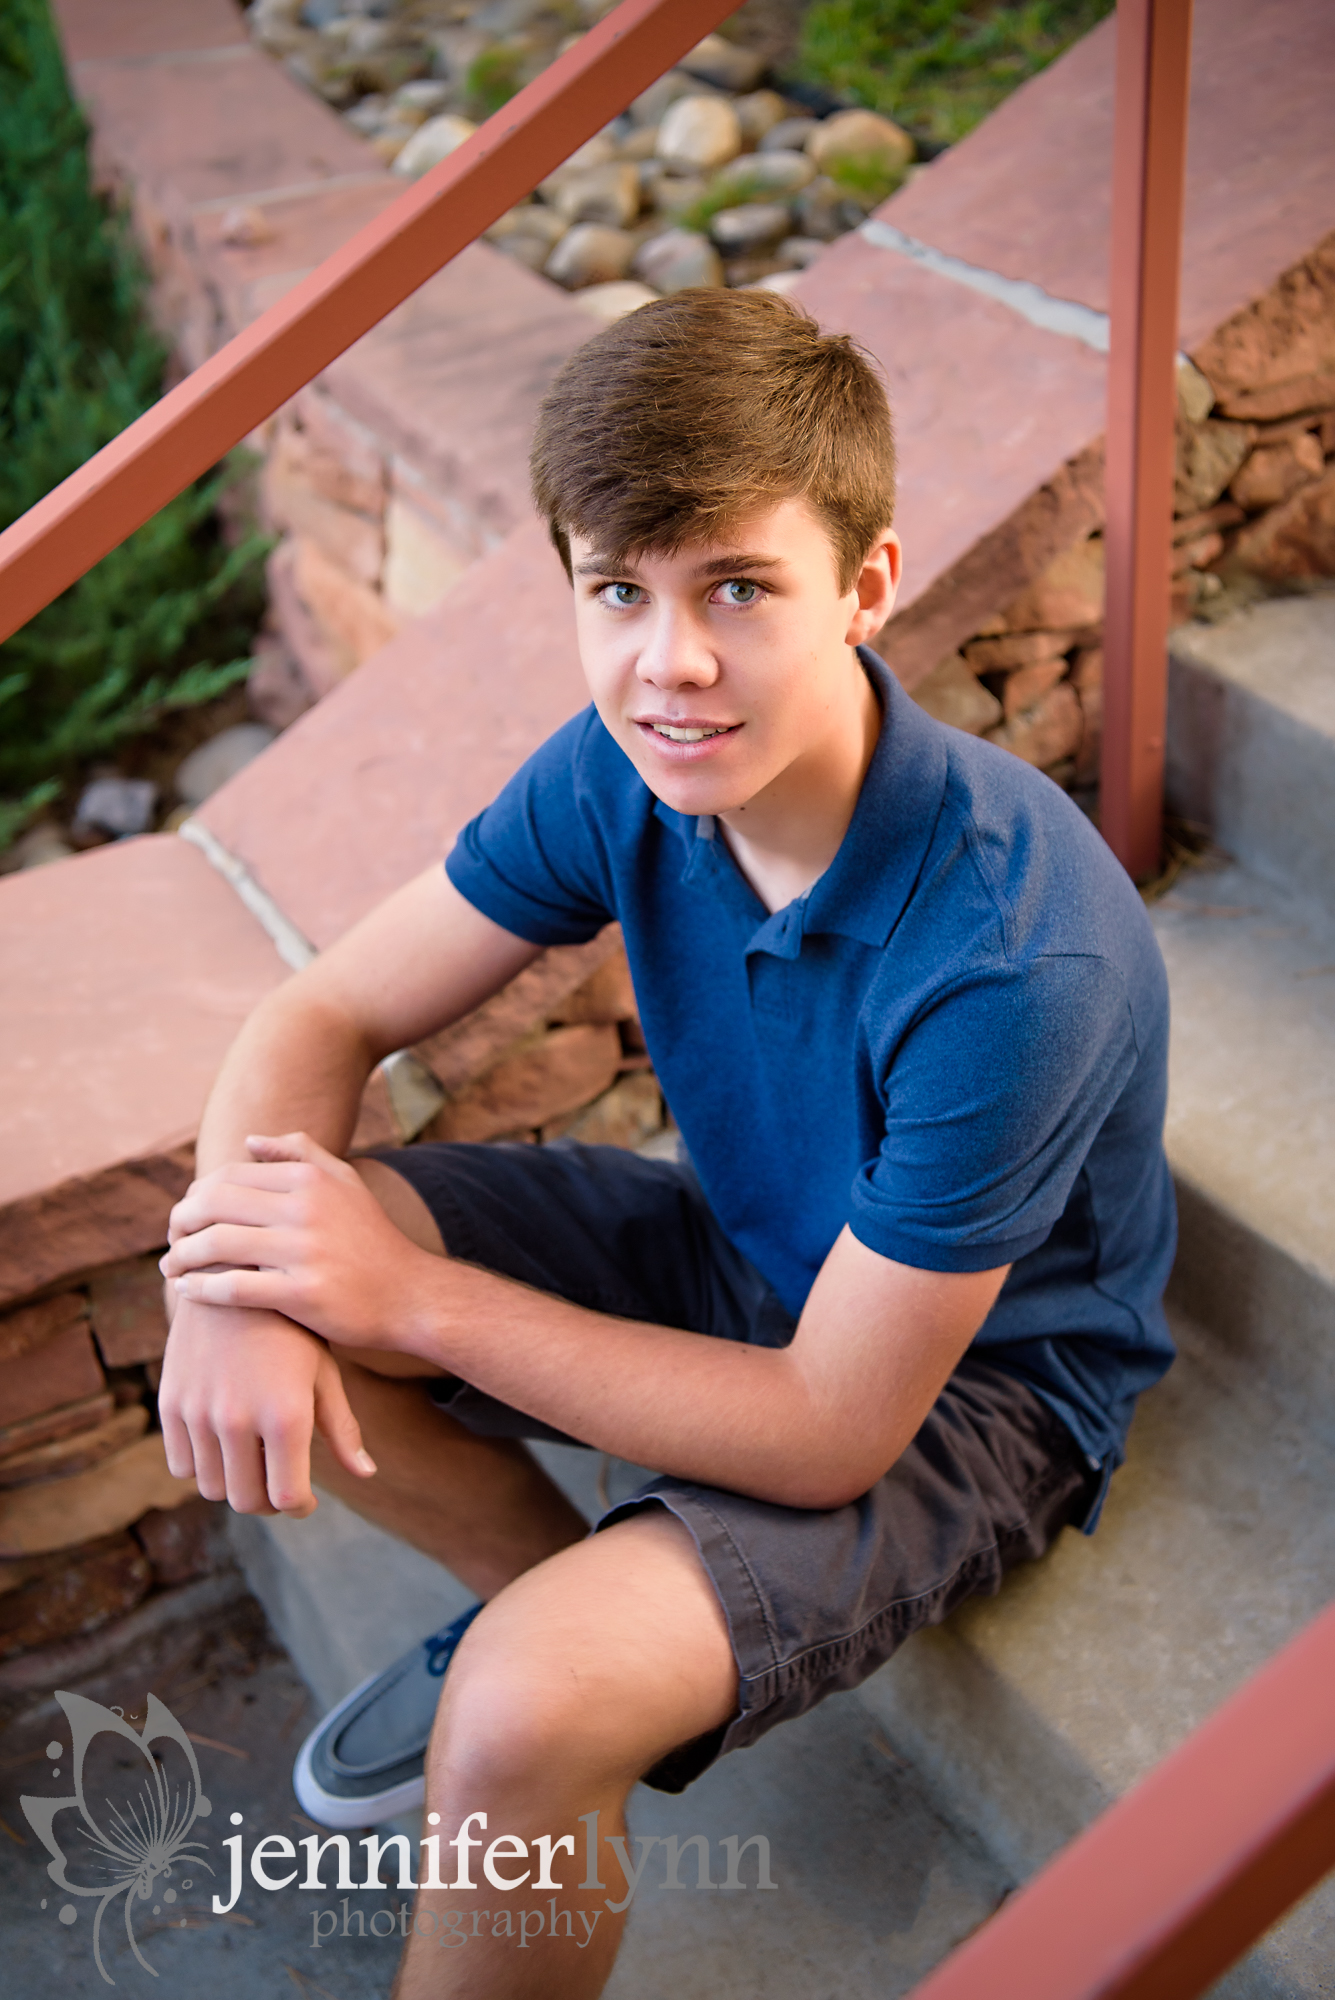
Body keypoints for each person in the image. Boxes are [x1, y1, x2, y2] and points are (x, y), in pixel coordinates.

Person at [158, 288, 1176, 1998]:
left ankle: (535, 1687)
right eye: (617, 591)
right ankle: (536, 1591)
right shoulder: (629, 767)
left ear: (866, 588)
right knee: (276, 1261)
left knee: (521, 1716)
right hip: (745, 1246)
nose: (668, 662)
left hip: (977, 1390)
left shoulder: (1015, 952)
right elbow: (317, 1019)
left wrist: (413, 1301)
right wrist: (224, 1292)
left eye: (738, 590)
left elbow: (834, 1426)